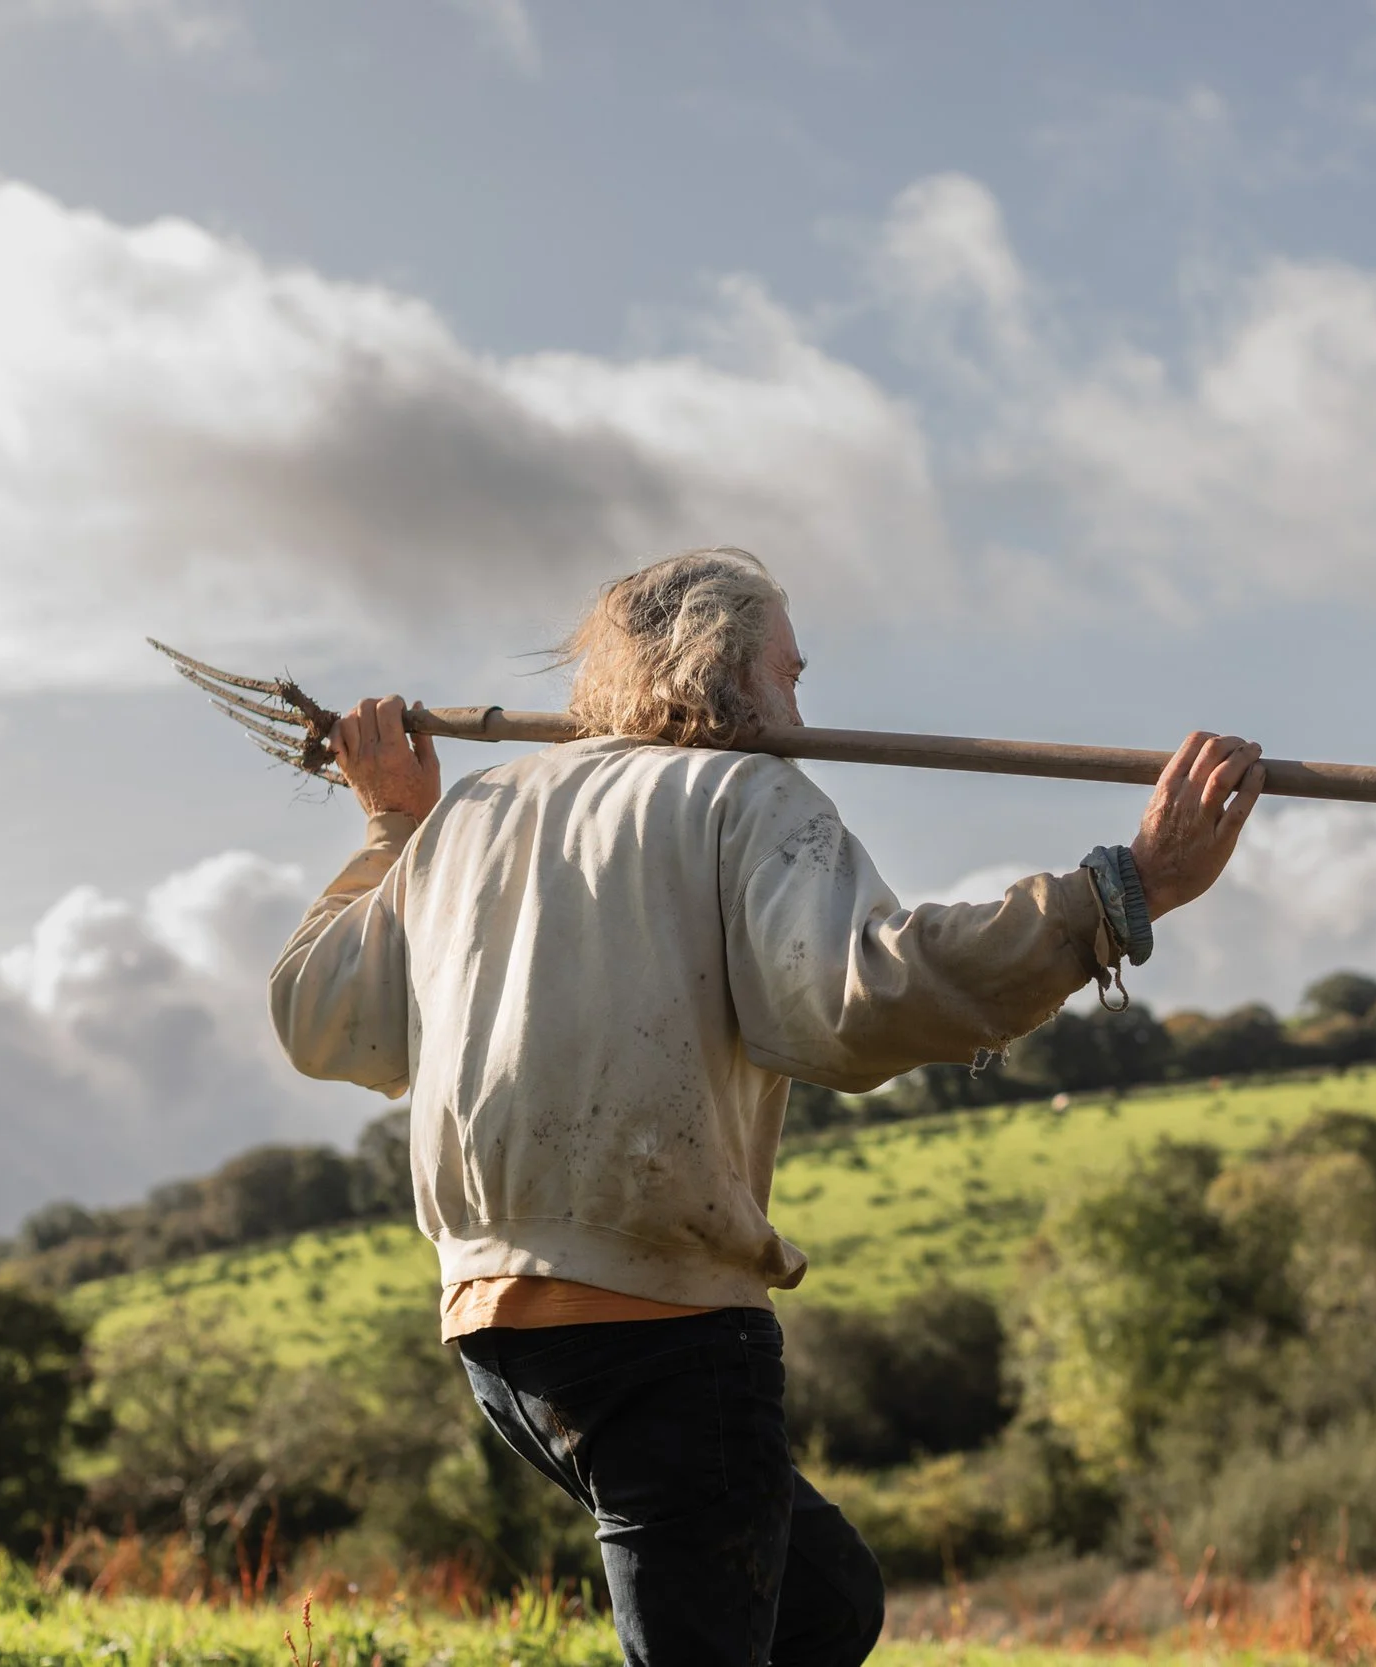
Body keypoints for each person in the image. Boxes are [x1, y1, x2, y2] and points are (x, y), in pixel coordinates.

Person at [269, 548, 1265, 1667]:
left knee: (823, 1602)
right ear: (723, 670)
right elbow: (866, 995)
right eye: (789, 673)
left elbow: (317, 1009)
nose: (800, 707)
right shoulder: (742, 793)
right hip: (656, 1327)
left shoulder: (471, 815)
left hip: (499, 1336)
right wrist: (1119, 894)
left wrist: (394, 827)